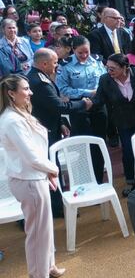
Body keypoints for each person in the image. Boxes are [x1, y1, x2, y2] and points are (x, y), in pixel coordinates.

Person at [0, 74, 66, 278]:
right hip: (28, 180)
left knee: (44, 228)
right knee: (37, 231)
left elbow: (35, 152)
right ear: (12, 93)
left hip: (34, 177)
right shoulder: (12, 120)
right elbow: (31, 156)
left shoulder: (19, 114)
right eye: (26, 89)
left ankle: (48, 266)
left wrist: (47, 173)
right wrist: (53, 170)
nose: (30, 92)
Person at [28, 48, 91, 216]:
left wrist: (61, 122)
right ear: (44, 64)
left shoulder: (39, 77)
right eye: (55, 63)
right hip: (44, 133)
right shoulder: (39, 82)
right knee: (49, 168)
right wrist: (83, 104)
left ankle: (56, 204)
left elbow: (48, 107)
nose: (57, 66)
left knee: (51, 166)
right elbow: (58, 105)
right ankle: (56, 206)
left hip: (49, 128)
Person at [56, 36, 108, 182]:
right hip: (79, 108)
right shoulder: (65, 65)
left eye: (87, 52)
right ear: (73, 50)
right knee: (82, 145)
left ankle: (98, 178)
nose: (84, 55)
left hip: (98, 106)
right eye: (80, 53)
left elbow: (104, 81)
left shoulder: (97, 61)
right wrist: (87, 93)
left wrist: (96, 95)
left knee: (99, 142)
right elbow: (63, 89)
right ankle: (84, 178)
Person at [93, 54, 135, 196]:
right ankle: (130, 181)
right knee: (128, 149)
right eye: (108, 68)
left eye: (113, 68)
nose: (109, 71)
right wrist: (85, 104)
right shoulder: (105, 79)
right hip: (123, 119)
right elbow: (98, 100)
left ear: (125, 67)